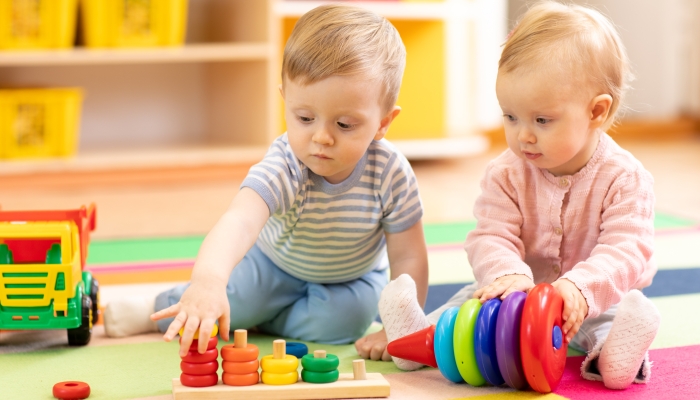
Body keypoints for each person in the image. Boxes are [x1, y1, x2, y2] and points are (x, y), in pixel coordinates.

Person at [103, 4, 429, 358]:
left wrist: (400, 329)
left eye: (344, 125)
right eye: (304, 117)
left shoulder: (391, 172)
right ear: (285, 101)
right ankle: (156, 308)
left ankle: (263, 318)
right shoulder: (285, 164)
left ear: (383, 122)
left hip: (352, 279)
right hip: (273, 265)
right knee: (222, 304)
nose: (321, 137)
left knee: (345, 325)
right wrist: (208, 282)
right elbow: (240, 222)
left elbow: (409, 254)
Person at [375, 0, 660, 390]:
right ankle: (416, 336)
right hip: (515, 298)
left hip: (595, 301)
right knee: (465, 313)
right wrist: (507, 274)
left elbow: (627, 250)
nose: (522, 134)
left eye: (542, 120)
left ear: (596, 112)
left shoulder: (626, 178)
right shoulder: (506, 172)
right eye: (510, 116)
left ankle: (617, 357)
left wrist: (578, 289)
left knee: (613, 321)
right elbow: (490, 235)